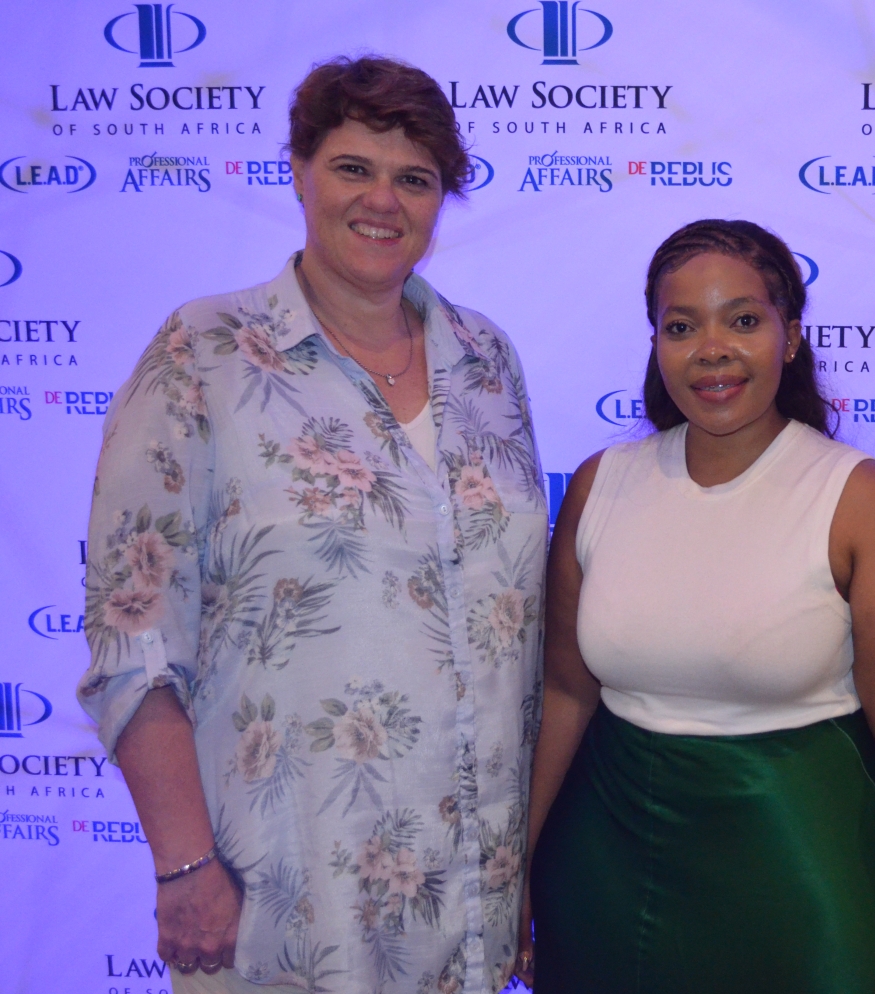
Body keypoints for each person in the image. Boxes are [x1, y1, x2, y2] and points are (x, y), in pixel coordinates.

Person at [78, 56, 546, 994]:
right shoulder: (204, 354)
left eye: (414, 178)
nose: (383, 200)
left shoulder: (487, 359)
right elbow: (134, 638)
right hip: (286, 902)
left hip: (471, 904)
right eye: (353, 167)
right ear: (298, 171)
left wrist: (523, 874)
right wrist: (182, 865)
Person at [514, 219, 875, 994]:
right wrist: (515, 868)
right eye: (682, 327)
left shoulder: (861, 500)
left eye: (743, 320)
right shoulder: (600, 483)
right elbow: (566, 694)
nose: (712, 350)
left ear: (791, 336)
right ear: (656, 344)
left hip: (803, 874)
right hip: (603, 872)